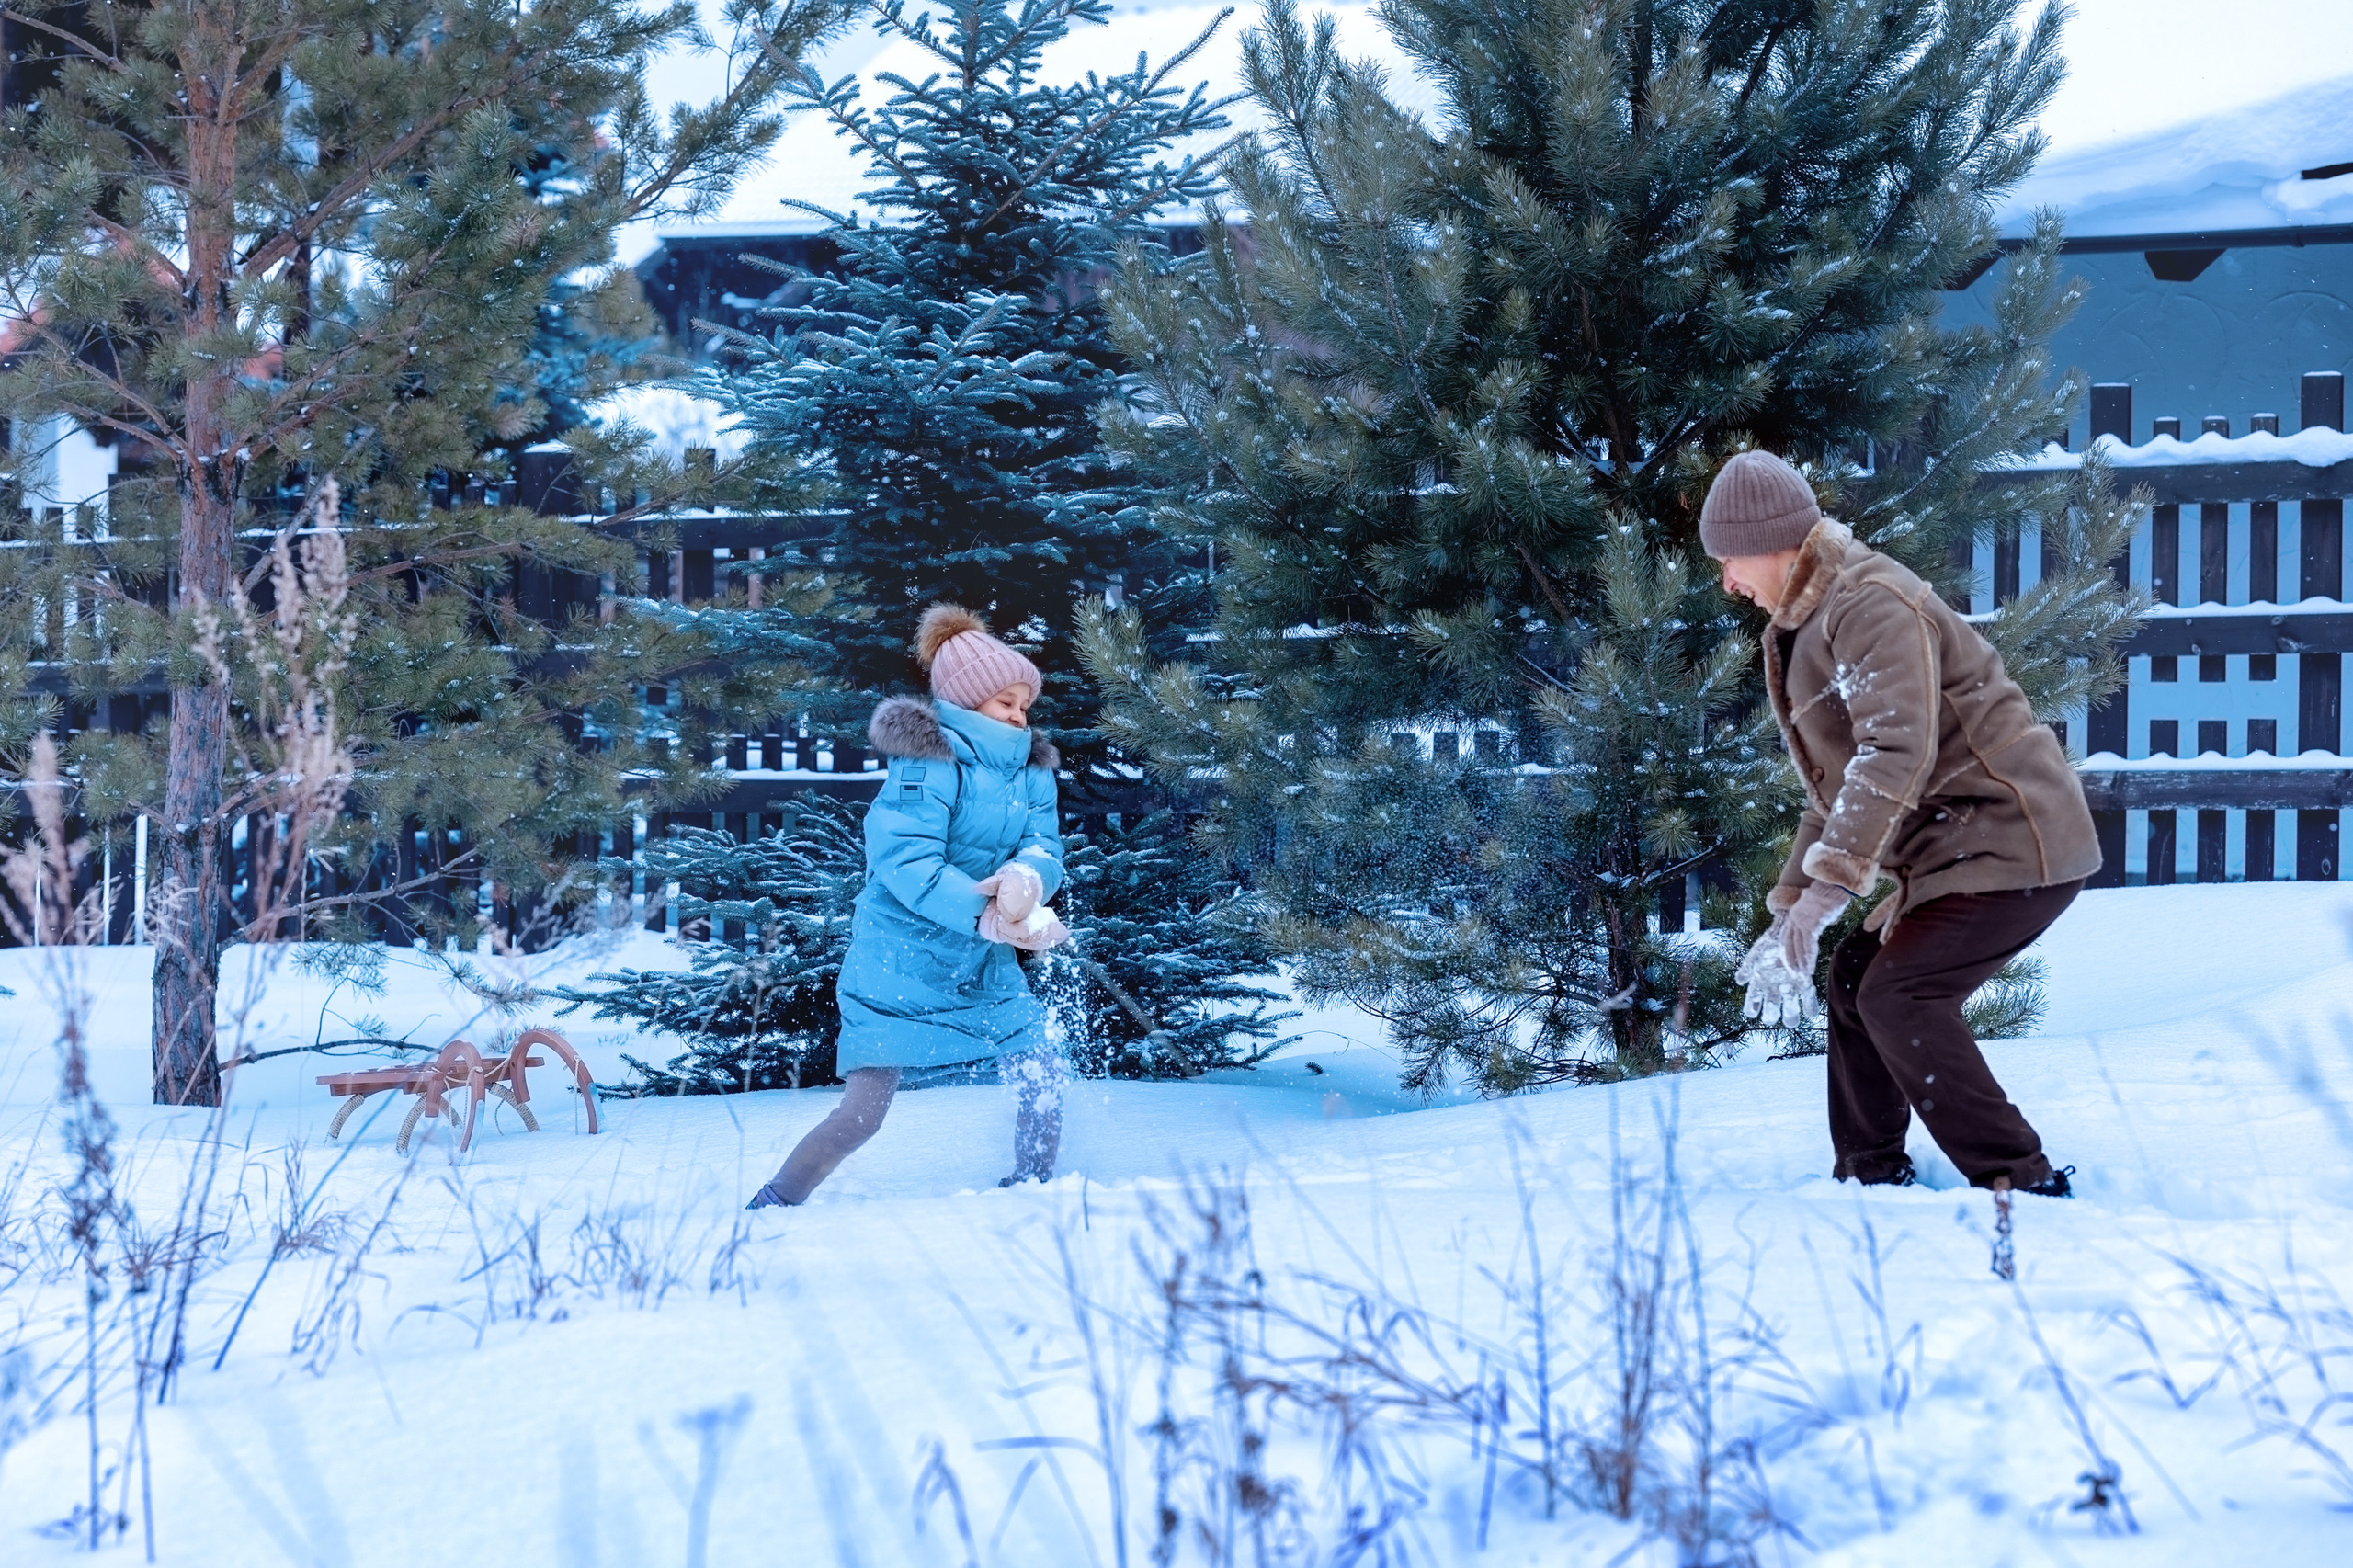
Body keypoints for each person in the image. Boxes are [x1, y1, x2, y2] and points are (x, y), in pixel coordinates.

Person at [1702, 449, 2100, 1197]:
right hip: (1960, 848)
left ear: (1771, 541)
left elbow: (1893, 754)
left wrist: (1825, 897)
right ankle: (1870, 1173)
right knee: (1858, 977)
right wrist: (1789, 911)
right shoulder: (1810, 617)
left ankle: (2020, 1179)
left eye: (1728, 559)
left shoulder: (1868, 604)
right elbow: (1833, 787)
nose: (1725, 581)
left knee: (1900, 993)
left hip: (2015, 839)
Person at [747, 604, 1072, 1208]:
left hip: (980, 960)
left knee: (1040, 1069)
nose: (1020, 715)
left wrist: (1027, 878)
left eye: (1025, 704)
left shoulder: (1030, 768)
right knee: (864, 1113)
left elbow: (1044, 843)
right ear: (970, 700)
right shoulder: (929, 763)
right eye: (1007, 702)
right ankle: (778, 1199)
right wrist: (982, 912)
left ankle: (1035, 1191)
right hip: (899, 957)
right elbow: (905, 862)